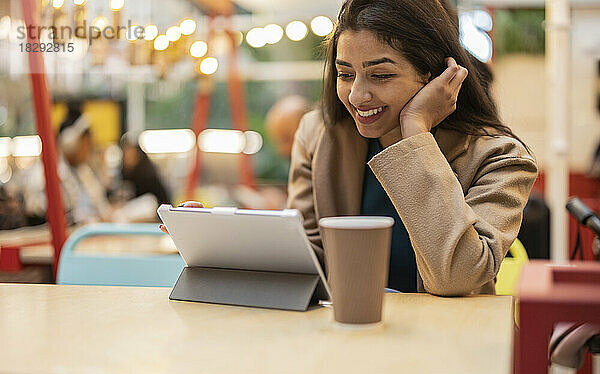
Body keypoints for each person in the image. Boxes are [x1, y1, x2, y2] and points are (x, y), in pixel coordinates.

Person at [167, 0, 538, 297]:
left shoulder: (502, 159)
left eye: (381, 75)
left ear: (436, 75)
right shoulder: (318, 135)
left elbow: (457, 276)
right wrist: (226, 242)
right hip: (346, 340)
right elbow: (309, 259)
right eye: (346, 74)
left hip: (447, 355)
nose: (358, 95)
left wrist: (414, 135)